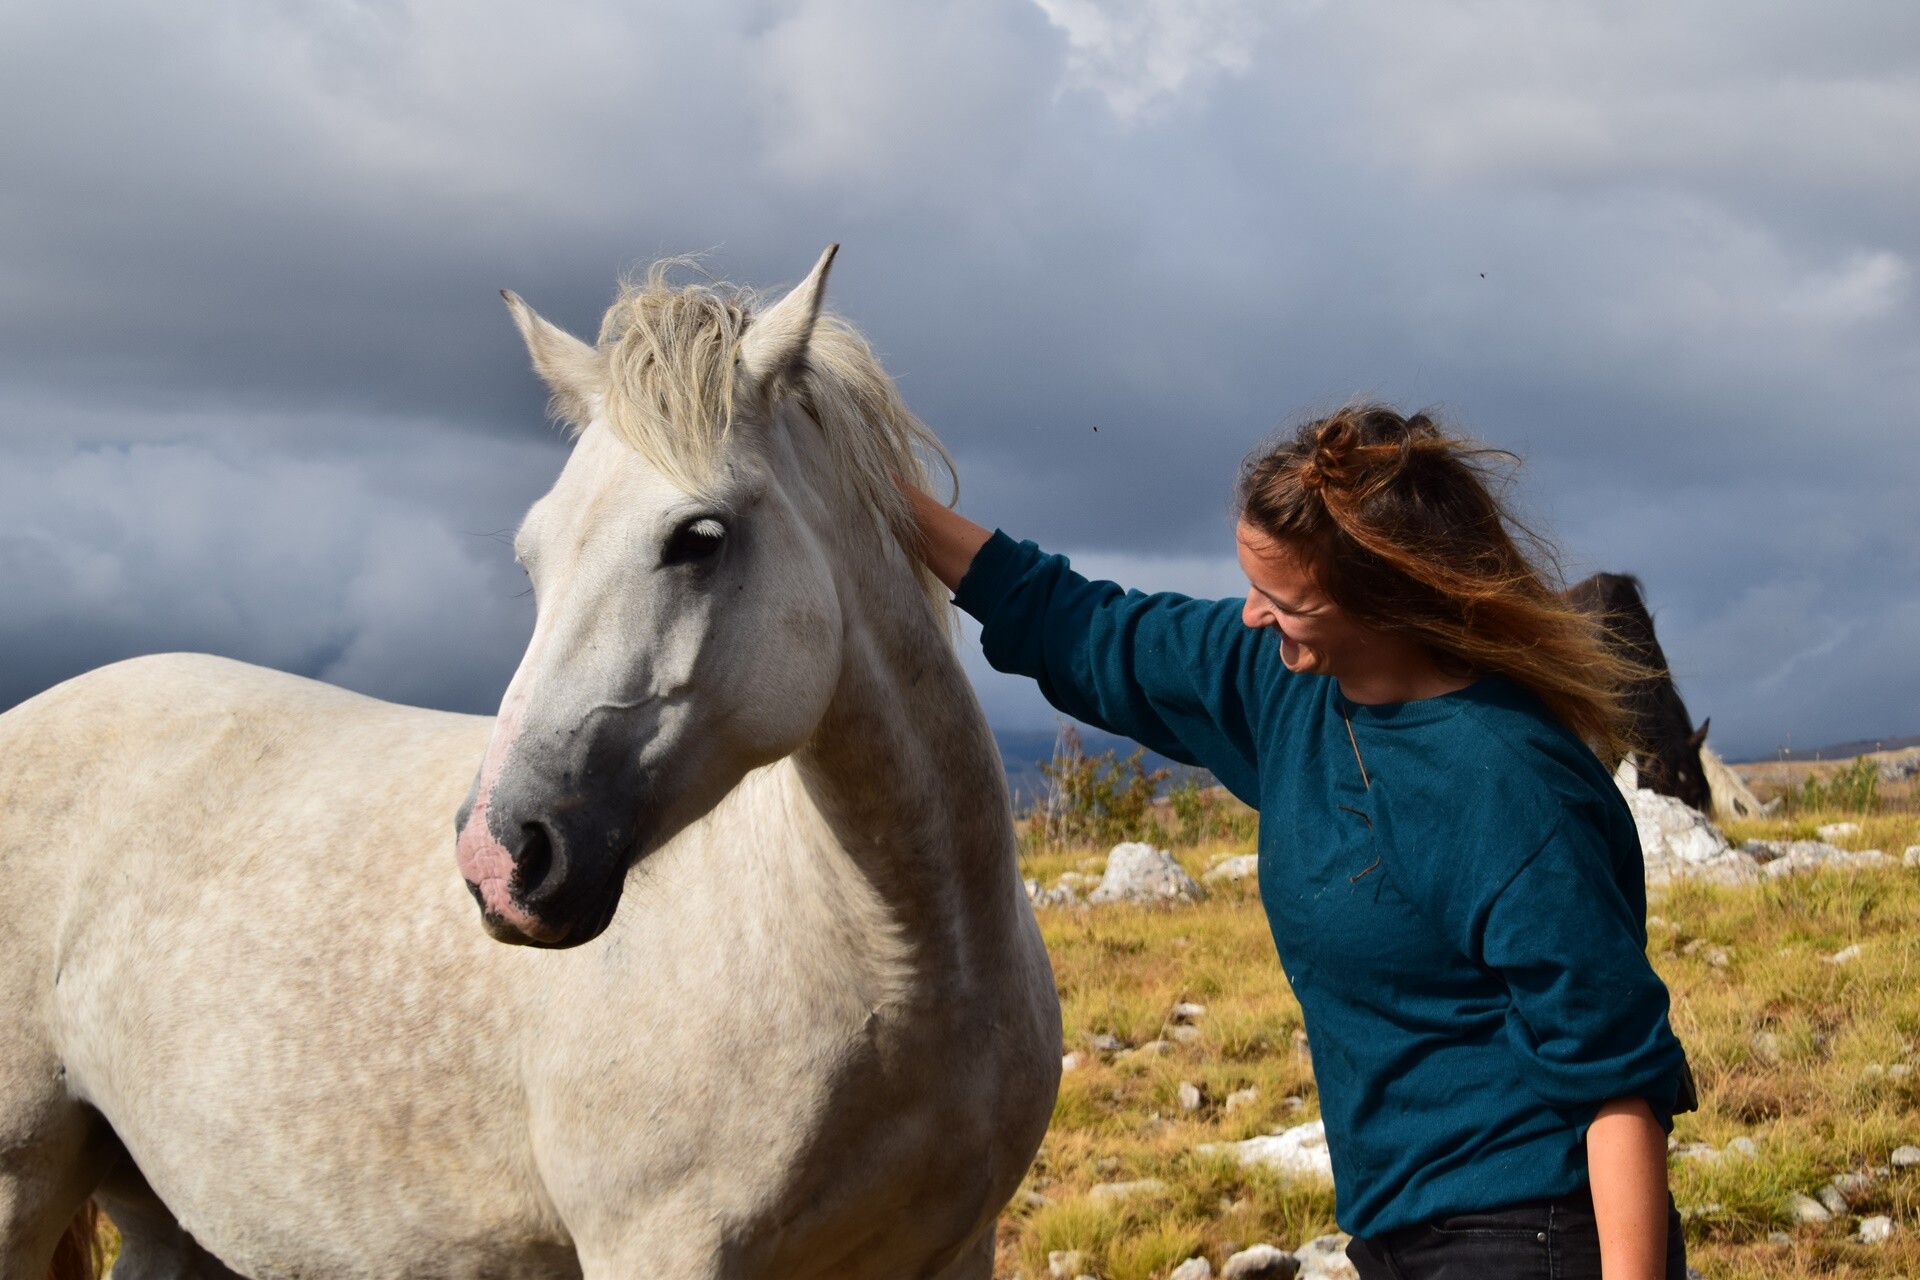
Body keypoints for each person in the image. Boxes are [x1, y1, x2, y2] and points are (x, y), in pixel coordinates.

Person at [904, 405, 1691, 1280]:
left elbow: (1618, 1078)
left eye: (1283, 602)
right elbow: (1082, 624)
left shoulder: (1509, 783)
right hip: (1398, 1234)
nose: (1252, 615)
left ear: (1383, 600)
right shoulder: (1288, 685)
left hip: (1531, 1234)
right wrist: (886, 497)